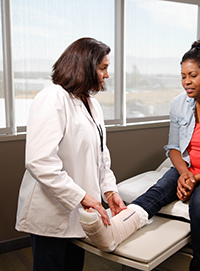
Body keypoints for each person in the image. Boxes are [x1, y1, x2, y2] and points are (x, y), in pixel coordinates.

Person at [79, 39, 200, 271]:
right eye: (182, 76)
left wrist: (195, 179)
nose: (186, 82)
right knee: (157, 191)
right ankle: (114, 230)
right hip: (186, 168)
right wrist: (185, 173)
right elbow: (173, 148)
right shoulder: (179, 103)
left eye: (193, 75)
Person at [15, 37, 129, 271]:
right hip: (51, 214)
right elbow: (39, 161)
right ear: (85, 67)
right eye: (103, 68)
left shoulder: (92, 104)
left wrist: (110, 190)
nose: (107, 75)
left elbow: (101, 155)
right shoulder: (53, 98)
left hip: (78, 214)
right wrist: (82, 197)